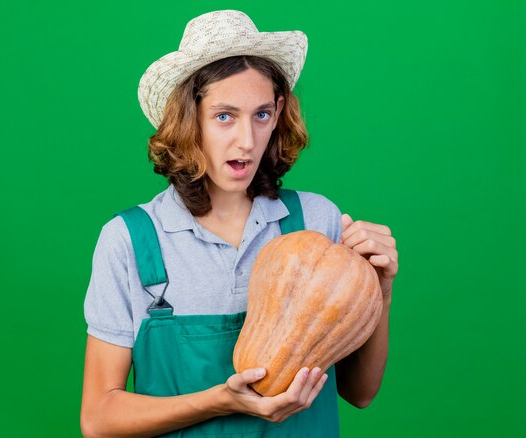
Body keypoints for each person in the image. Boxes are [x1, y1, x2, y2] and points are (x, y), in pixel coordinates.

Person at [80, 10, 398, 438]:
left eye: (262, 115)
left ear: (279, 110)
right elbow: (98, 419)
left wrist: (380, 287)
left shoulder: (317, 221)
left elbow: (359, 393)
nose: (247, 141)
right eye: (224, 116)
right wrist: (218, 401)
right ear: (187, 118)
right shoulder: (131, 240)